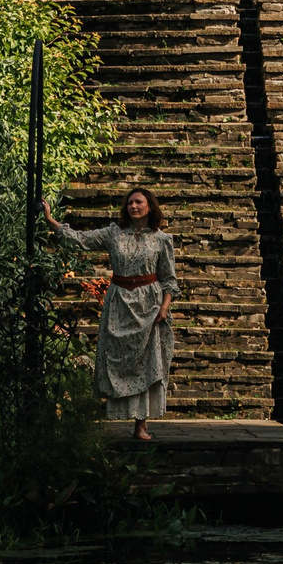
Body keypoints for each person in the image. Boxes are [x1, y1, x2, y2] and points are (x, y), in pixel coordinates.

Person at [42, 188, 176, 439]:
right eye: (130, 203)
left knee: (147, 363)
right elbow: (80, 239)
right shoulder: (114, 233)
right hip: (119, 303)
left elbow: (169, 279)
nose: (133, 206)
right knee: (119, 360)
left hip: (149, 305)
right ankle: (116, 414)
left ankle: (141, 424)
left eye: (138, 202)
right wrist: (51, 221)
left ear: (150, 206)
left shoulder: (161, 239)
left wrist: (164, 306)